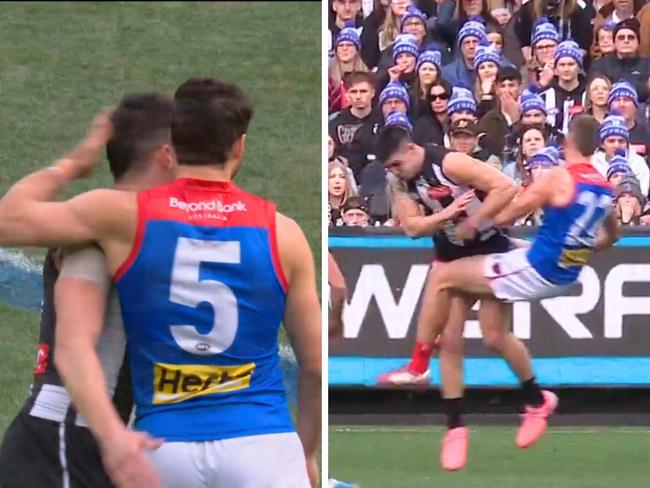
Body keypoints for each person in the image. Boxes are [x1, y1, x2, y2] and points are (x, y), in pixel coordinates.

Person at [0, 77, 322, 488]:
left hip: (163, 445)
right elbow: (313, 366)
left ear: (175, 145)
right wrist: (306, 452)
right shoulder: (283, 232)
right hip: (259, 439)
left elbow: (8, 219)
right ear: (239, 147)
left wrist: (76, 162)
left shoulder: (120, 217)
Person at [411, 114, 619, 454]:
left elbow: (510, 213)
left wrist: (474, 219)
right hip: (566, 273)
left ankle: (418, 365)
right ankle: (535, 400)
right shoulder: (604, 186)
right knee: (494, 334)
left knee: (443, 276)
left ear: (567, 143)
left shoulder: (557, 176)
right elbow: (611, 235)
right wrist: (580, 247)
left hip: (535, 269)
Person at [0, 93, 175, 488]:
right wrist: (76, 164)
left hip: (102, 440)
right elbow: (6, 218)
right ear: (167, 155)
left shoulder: (140, 224)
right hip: (69, 440)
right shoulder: (103, 225)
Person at [373, 120, 547, 472]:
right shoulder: (399, 180)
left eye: (396, 164)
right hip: (452, 256)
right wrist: (449, 216)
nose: (393, 172)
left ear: (411, 149)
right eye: (389, 167)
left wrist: (475, 221)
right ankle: (455, 427)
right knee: (450, 340)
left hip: (492, 251)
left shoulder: (448, 163)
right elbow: (411, 227)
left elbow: (505, 186)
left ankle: (536, 398)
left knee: (495, 335)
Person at [589, 19, 650, 104]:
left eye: (631, 37)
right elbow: (601, 93)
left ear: (638, 42)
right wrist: (645, 87)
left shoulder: (647, 64)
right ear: (614, 42)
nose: (626, 41)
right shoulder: (600, 65)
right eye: (621, 38)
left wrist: (615, 86)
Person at [590, 113, 649, 195]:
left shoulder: (638, 163)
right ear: (602, 144)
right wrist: (609, 186)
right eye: (611, 141)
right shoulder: (592, 163)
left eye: (621, 141)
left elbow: (642, 195)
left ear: (627, 143)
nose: (616, 145)